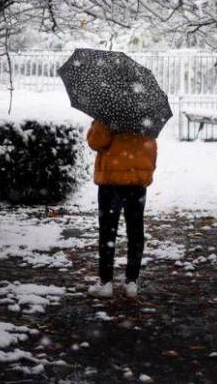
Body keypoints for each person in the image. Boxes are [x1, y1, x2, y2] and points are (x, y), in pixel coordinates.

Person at [85, 118, 157, 298]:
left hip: (111, 181)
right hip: (136, 182)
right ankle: (131, 281)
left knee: (108, 231)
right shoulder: (144, 115)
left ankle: (105, 282)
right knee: (135, 230)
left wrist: (97, 124)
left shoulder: (108, 113)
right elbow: (152, 150)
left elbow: (95, 142)